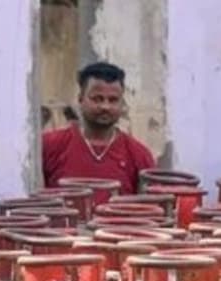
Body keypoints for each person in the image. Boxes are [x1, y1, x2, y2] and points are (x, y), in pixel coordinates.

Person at [42, 61, 155, 194]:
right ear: (80, 99)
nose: (105, 107)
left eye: (113, 100)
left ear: (122, 103)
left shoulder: (139, 156)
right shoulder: (49, 146)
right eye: (97, 99)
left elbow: (151, 207)